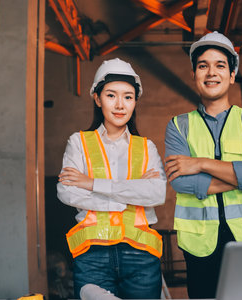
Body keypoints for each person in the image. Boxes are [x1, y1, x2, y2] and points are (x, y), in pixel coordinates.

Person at [164, 31, 242, 299]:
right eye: (203, 66)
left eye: (220, 65)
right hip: (200, 244)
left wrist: (201, 163)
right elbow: (181, 182)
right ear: (194, 75)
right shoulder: (178, 126)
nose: (211, 73)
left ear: (231, 75)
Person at [57, 58, 166, 299]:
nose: (120, 105)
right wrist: (130, 194)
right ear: (97, 99)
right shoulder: (79, 142)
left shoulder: (147, 147)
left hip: (141, 255)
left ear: (135, 101)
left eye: (128, 96)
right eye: (111, 95)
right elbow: (66, 192)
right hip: (92, 255)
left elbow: (156, 194)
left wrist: (91, 183)